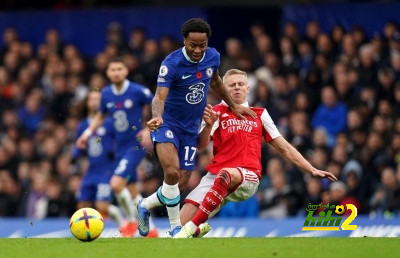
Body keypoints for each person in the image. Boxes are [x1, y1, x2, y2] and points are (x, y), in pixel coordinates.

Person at [173, 69, 337, 238]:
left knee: (225, 176)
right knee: (178, 226)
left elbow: (284, 147)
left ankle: (192, 227)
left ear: (248, 89)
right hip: (216, 175)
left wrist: (311, 169)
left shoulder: (260, 114)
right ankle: (197, 229)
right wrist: (208, 126)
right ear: (224, 89)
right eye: (231, 85)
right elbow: (201, 145)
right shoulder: (217, 111)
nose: (236, 88)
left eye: (240, 84)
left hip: (248, 175)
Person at [137, 18, 256, 237]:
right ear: (184, 41)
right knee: (171, 172)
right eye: (193, 45)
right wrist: (157, 117)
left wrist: (234, 106)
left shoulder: (213, 56)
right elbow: (158, 97)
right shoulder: (171, 64)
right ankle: (174, 229)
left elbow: (217, 82)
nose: (197, 50)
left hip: (191, 128)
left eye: (202, 45)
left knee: (180, 183)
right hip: (168, 123)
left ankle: (145, 205)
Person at [76, 57, 158, 237]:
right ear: (108, 72)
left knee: (116, 184)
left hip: (135, 145)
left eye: (119, 69)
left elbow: (157, 104)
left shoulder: (137, 91)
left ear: (126, 70)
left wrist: (147, 129)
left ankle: (130, 222)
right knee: (133, 193)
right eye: (112, 70)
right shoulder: (105, 94)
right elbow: (100, 116)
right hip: (120, 148)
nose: (116, 72)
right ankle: (151, 230)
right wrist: (87, 134)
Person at [72, 90, 125, 228]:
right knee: (82, 205)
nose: (94, 102)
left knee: (102, 205)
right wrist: (75, 159)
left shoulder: (110, 123)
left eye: (97, 99)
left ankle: (123, 224)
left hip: (106, 171)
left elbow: (120, 142)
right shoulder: (83, 125)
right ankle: (85, 230)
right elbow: (79, 148)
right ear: (87, 103)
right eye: (91, 99)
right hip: (90, 171)